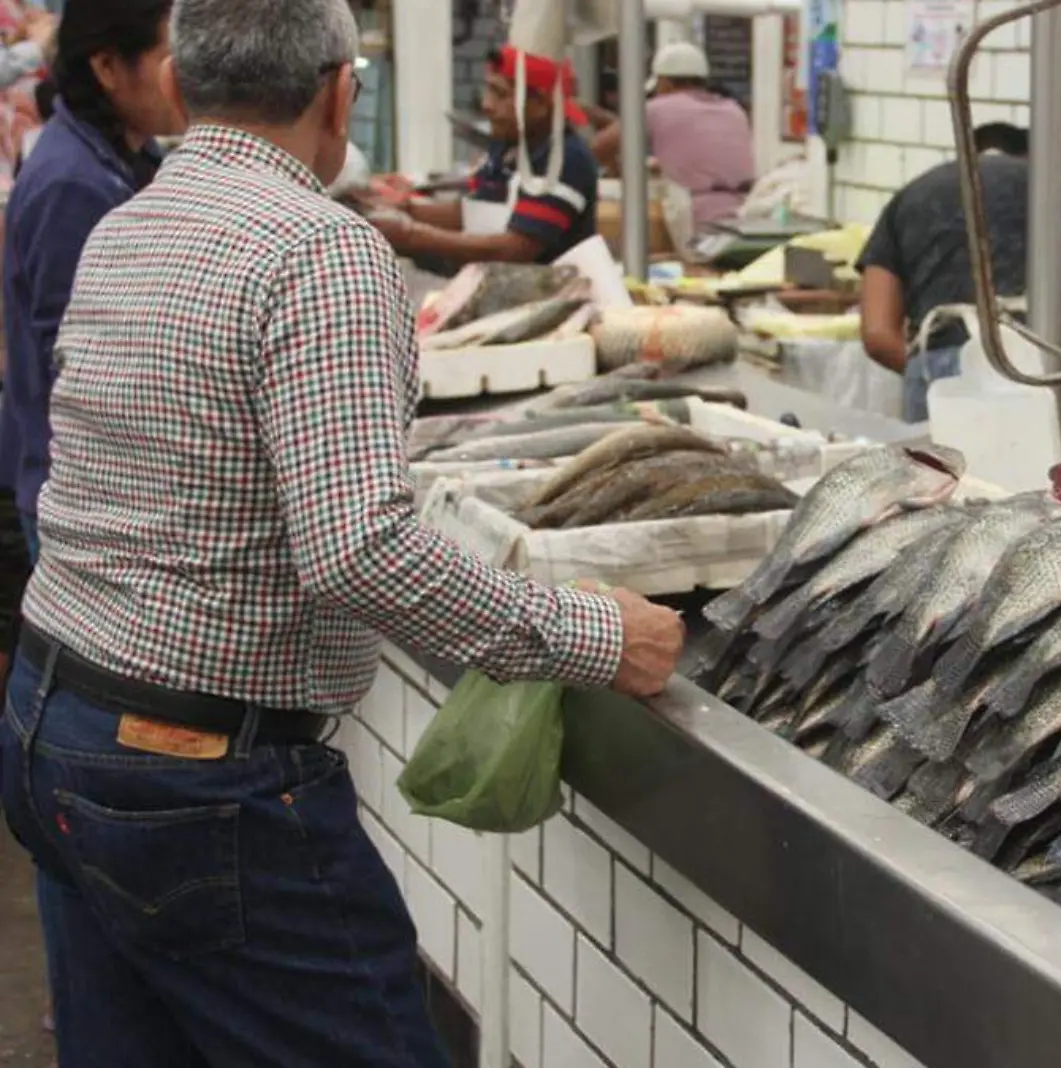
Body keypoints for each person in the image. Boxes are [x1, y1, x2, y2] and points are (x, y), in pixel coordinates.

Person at [0, 3, 684, 1067]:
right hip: (192, 780)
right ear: (339, 91)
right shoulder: (320, 250)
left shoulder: (125, 224)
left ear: (180, 86)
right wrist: (597, 633)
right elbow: (359, 548)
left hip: (51, 722)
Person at [0, 0, 177, 566]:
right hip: (79, 500)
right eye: (170, 58)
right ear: (107, 68)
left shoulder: (131, 154)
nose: (187, 80)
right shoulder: (72, 184)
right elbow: (79, 370)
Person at [856, 121, 1061, 423]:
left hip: (937, 366)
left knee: (934, 470)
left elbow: (877, 335)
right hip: (1024, 372)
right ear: (1030, 156)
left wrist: (927, 375)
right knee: (1019, 469)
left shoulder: (912, 195)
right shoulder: (1057, 195)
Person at [371, 44, 599, 268]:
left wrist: (413, 235)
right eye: (488, 90)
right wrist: (402, 209)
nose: (486, 104)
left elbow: (515, 248)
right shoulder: (508, 144)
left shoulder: (564, 160)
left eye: (500, 94)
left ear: (540, 103)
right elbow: (471, 209)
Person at [590, 41, 756, 229]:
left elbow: (597, 149)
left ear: (666, 83)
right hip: (745, 212)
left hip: (695, 217)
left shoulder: (655, 109)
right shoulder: (734, 110)